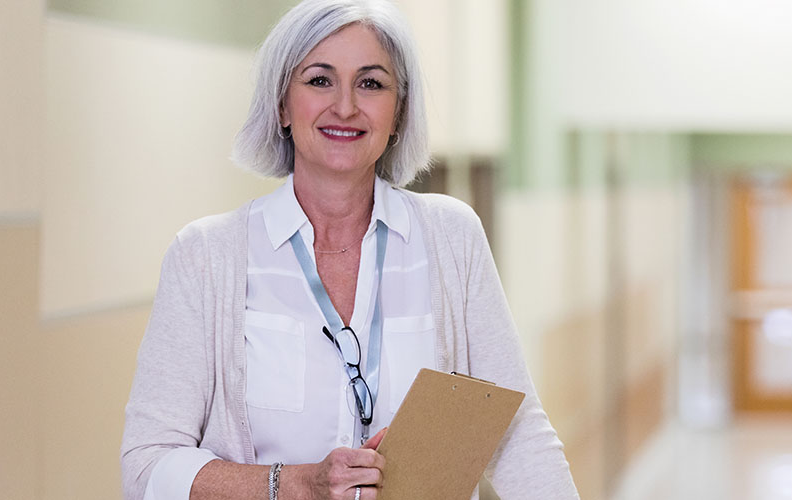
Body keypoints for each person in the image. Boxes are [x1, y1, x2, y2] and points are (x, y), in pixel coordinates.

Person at [119, 1, 579, 499]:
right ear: (281, 105)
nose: (345, 106)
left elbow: (520, 436)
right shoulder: (206, 257)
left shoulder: (451, 238)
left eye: (371, 83)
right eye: (319, 80)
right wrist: (295, 484)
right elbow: (147, 468)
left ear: (399, 111)